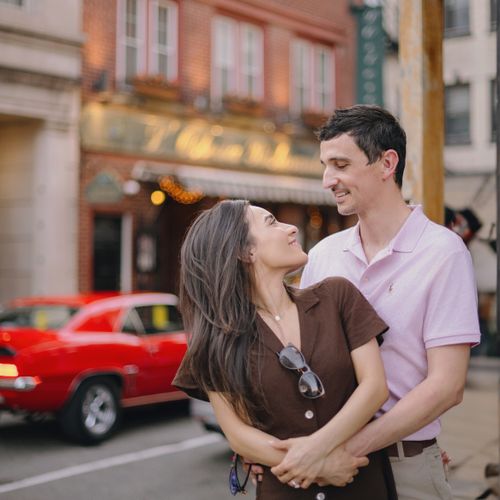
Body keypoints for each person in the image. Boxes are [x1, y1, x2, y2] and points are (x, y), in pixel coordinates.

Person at [272, 105, 480, 499]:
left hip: (405, 468)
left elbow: (447, 385)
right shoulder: (323, 254)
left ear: (387, 163)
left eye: (340, 164)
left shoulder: (443, 252)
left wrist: (342, 452)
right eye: (324, 165)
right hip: (327, 463)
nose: (327, 180)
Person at [173, 199, 398, 499]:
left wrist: (314, 452)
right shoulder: (218, 340)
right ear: (245, 251)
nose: (291, 228)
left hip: (361, 485)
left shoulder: (337, 297)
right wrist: (320, 467)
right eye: (271, 222)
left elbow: (375, 387)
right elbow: (238, 435)